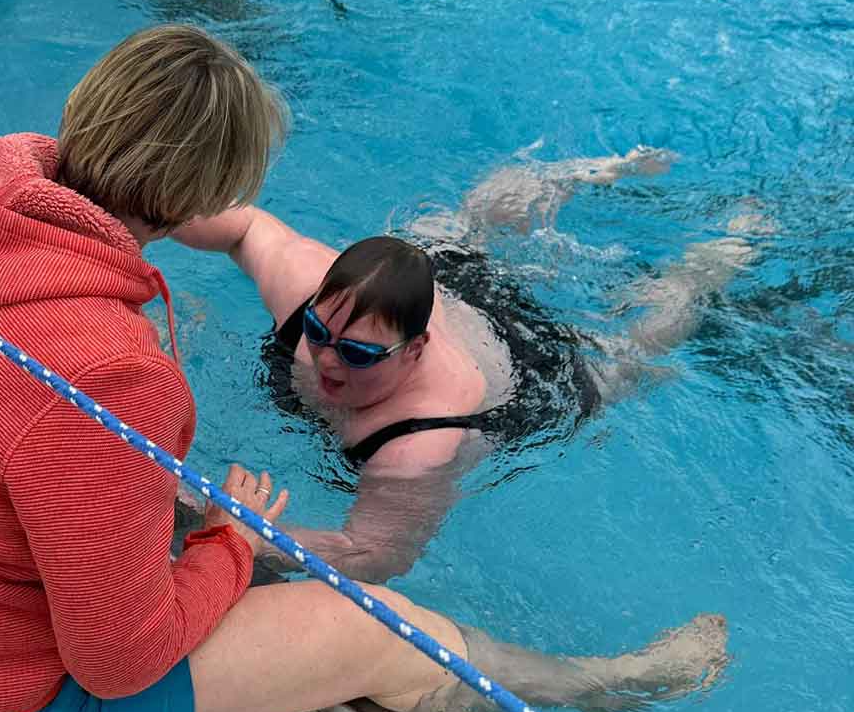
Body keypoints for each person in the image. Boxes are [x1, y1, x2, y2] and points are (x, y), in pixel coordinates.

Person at [0, 24, 728, 712]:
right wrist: (229, 546)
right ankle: (599, 682)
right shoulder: (110, 373)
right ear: (197, 199)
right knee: (376, 627)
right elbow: (117, 662)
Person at [175, 148, 764, 580]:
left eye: (355, 354)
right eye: (318, 334)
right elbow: (242, 223)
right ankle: (591, 170)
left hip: (530, 374)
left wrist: (240, 535)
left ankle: (710, 266)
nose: (327, 360)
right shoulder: (309, 287)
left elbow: (377, 552)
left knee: (627, 355)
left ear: (415, 351)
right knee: (462, 221)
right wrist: (131, 213)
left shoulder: (415, 444)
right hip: (439, 281)